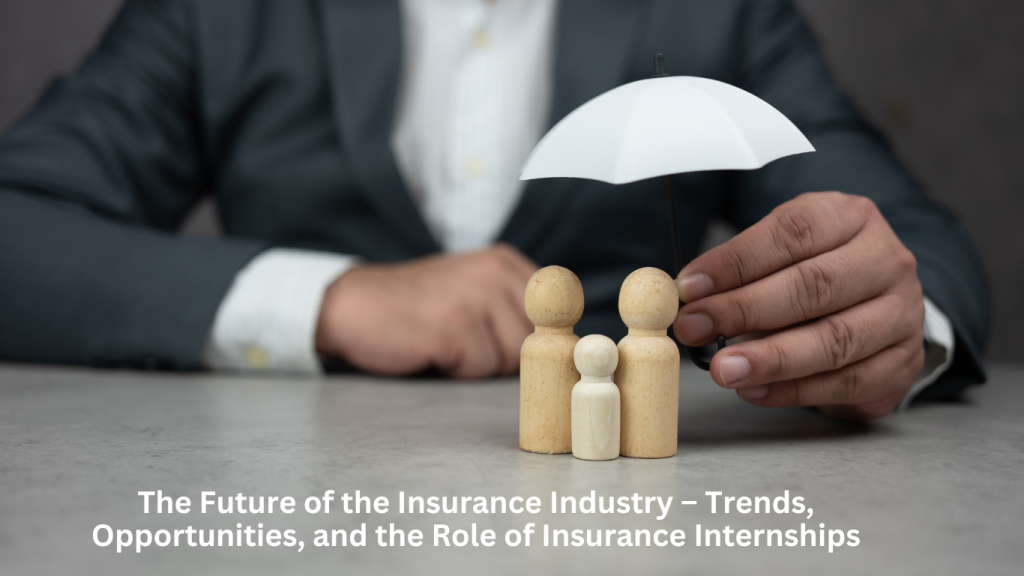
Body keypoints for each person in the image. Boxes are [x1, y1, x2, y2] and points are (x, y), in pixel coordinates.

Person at [0, 0, 988, 420]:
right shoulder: (216, 12)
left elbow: (917, 245)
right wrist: (329, 299)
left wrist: (898, 328)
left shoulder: (714, 10)